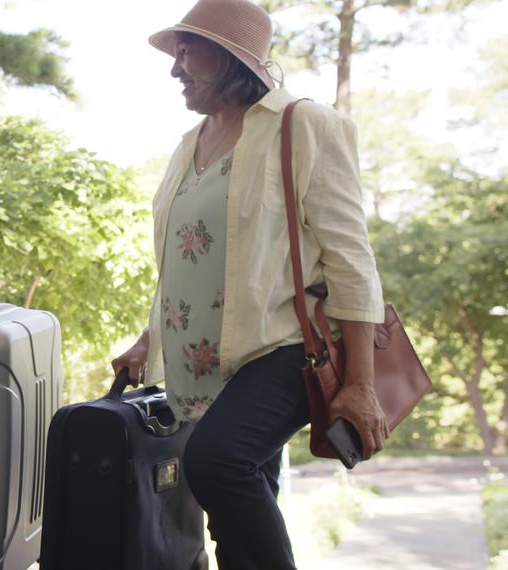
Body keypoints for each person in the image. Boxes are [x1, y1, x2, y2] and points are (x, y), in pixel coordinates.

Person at [111, 0, 388, 568]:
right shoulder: (188, 145)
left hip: (283, 346)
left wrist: (361, 383)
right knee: (235, 503)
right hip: (202, 361)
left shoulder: (304, 125)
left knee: (216, 463)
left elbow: (351, 260)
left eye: (187, 50)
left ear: (232, 56)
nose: (174, 67)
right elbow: (183, 262)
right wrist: (148, 339)